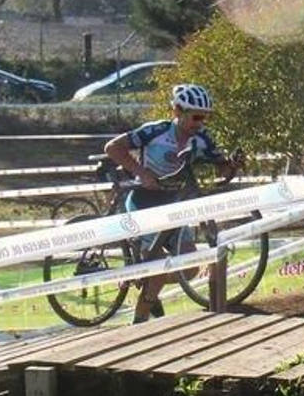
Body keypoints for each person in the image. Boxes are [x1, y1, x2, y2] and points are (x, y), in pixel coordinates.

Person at [102, 83, 242, 324]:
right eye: (196, 116)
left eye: (205, 117)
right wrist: (142, 173)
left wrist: (232, 165)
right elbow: (112, 148)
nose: (200, 123)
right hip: (144, 204)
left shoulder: (202, 138)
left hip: (175, 207)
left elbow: (220, 165)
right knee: (157, 271)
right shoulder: (155, 131)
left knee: (189, 270)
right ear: (177, 111)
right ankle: (139, 323)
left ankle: (142, 280)